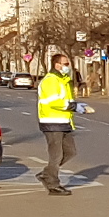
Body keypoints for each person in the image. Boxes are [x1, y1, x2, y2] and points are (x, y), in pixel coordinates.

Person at [37, 56, 82, 196]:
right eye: (65, 64)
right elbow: (53, 101)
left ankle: (47, 174)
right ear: (57, 65)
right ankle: (53, 185)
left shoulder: (63, 80)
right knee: (56, 155)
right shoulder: (51, 80)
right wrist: (73, 106)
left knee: (70, 152)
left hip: (63, 122)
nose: (67, 66)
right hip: (51, 122)